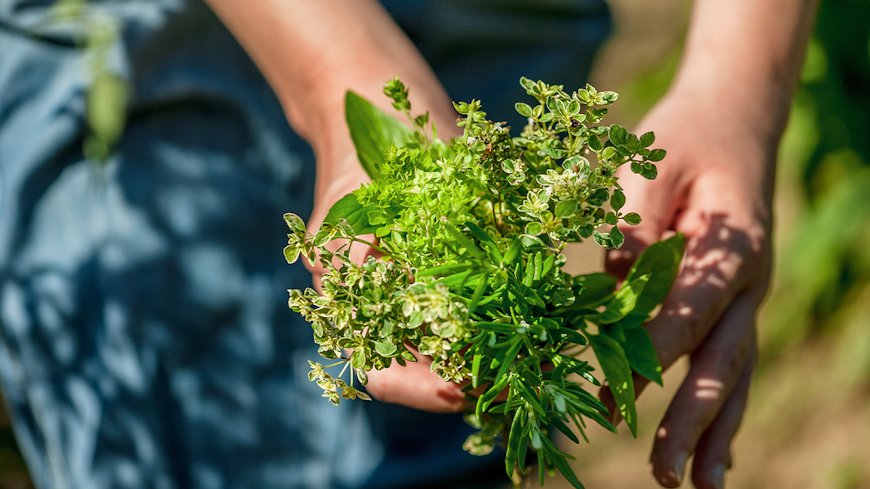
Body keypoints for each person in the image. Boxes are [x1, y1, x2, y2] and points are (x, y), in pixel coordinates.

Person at [0, 1, 817, 489]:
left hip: (498, 24)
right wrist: (338, 78)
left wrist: (739, 81)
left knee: (456, 418)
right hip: (161, 64)